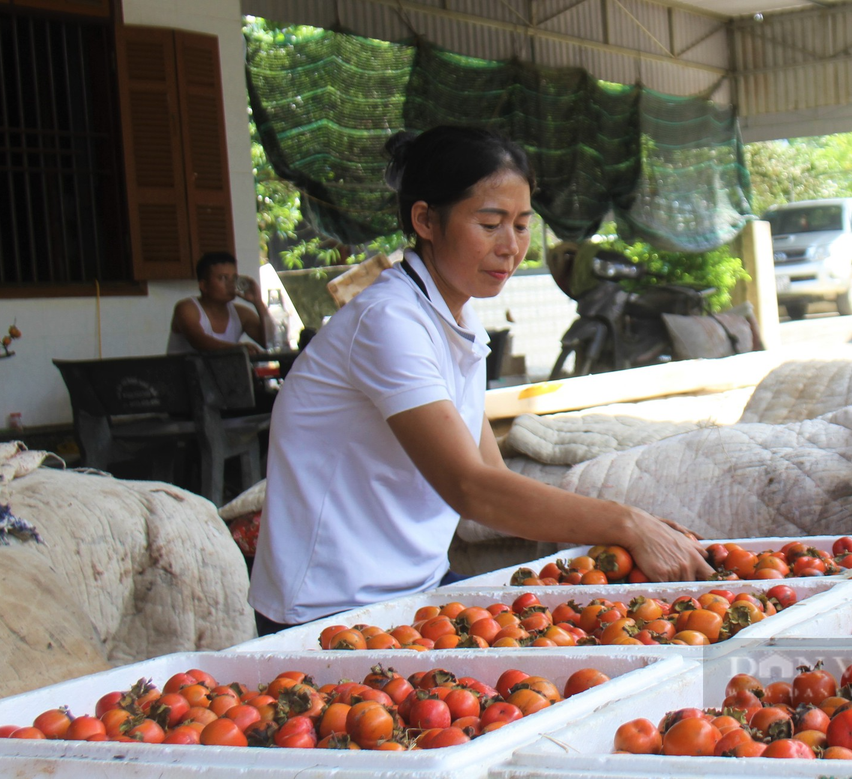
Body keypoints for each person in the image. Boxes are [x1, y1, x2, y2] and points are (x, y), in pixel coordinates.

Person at [248, 126, 713, 634]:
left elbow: (493, 475)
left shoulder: (455, 318)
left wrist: (630, 527)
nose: (511, 247)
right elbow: (472, 488)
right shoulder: (388, 321)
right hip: (330, 609)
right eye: (490, 224)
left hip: (418, 592)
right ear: (425, 220)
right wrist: (625, 522)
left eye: (522, 225)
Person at [167, 252, 272, 355]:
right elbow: (199, 341)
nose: (231, 284)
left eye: (234, 278)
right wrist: (237, 349)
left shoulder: (242, 314)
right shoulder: (186, 308)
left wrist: (258, 302)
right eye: (223, 278)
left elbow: (271, 342)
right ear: (204, 286)